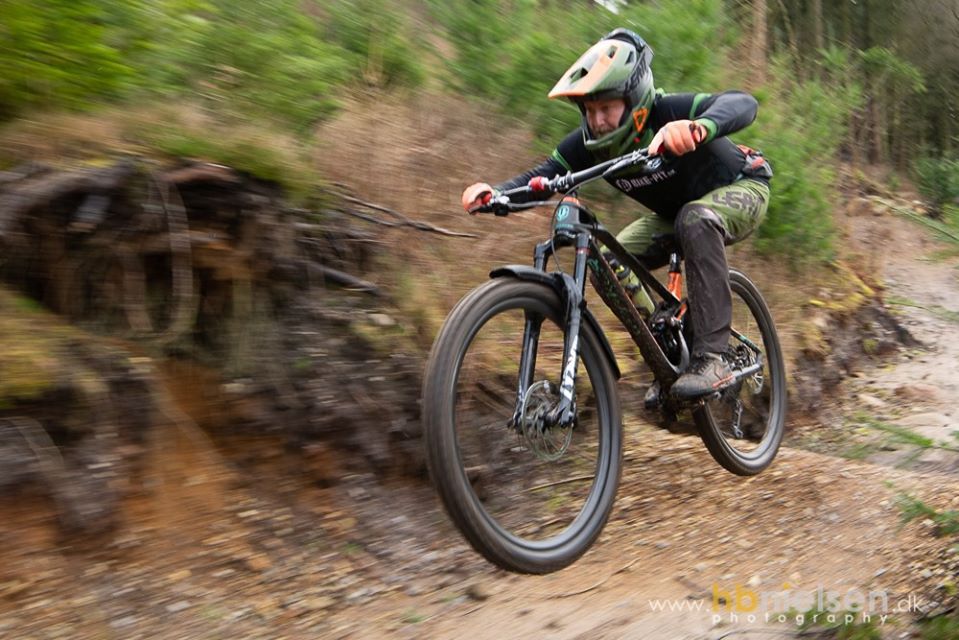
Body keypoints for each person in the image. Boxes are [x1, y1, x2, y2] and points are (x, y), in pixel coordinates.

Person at [461, 28, 773, 400]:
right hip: (675, 216)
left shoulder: (667, 112)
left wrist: (698, 128)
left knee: (695, 218)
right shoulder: (587, 146)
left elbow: (742, 103)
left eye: (606, 108)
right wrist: (497, 194)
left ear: (635, 100)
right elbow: (543, 177)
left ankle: (713, 358)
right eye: (590, 110)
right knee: (606, 261)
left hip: (743, 187)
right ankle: (666, 350)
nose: (598, 120)